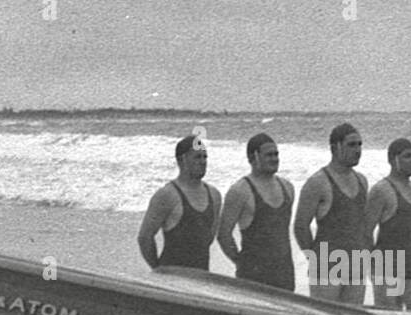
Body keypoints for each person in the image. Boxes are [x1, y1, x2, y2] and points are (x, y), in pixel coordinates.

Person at [293, 122, 371, 304]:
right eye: (351, 145)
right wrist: (315, 259)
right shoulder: (318, 182)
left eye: (360, 144)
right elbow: (301, 226)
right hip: (328, 269)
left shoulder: (362, 181)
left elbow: (361, 223)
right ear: (335, 148)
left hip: (356, 266)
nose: (358, 150)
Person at [217, 133, 295, 291]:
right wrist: (240, 262)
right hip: (253, 277)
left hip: (285, 275)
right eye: (269, 155)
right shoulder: (240, 191)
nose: (274, 159)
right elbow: (224, 234)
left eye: (276, 154)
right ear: (253, 157)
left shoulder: (288, 187)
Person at [136, 133, 222, 271]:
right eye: (197, 157)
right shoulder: (167, 195)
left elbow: (208, 238)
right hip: (173, 277)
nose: (203, 161)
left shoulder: (214, 195)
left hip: (202, 276)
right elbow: (145, 237)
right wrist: (158, 269)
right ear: (182, 160)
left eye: (205, 157)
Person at [366, 138, 411, 309]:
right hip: (387, 270)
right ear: (392, 160)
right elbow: (365, 232)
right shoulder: (382, 190)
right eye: (407, 156)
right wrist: (375, 267)